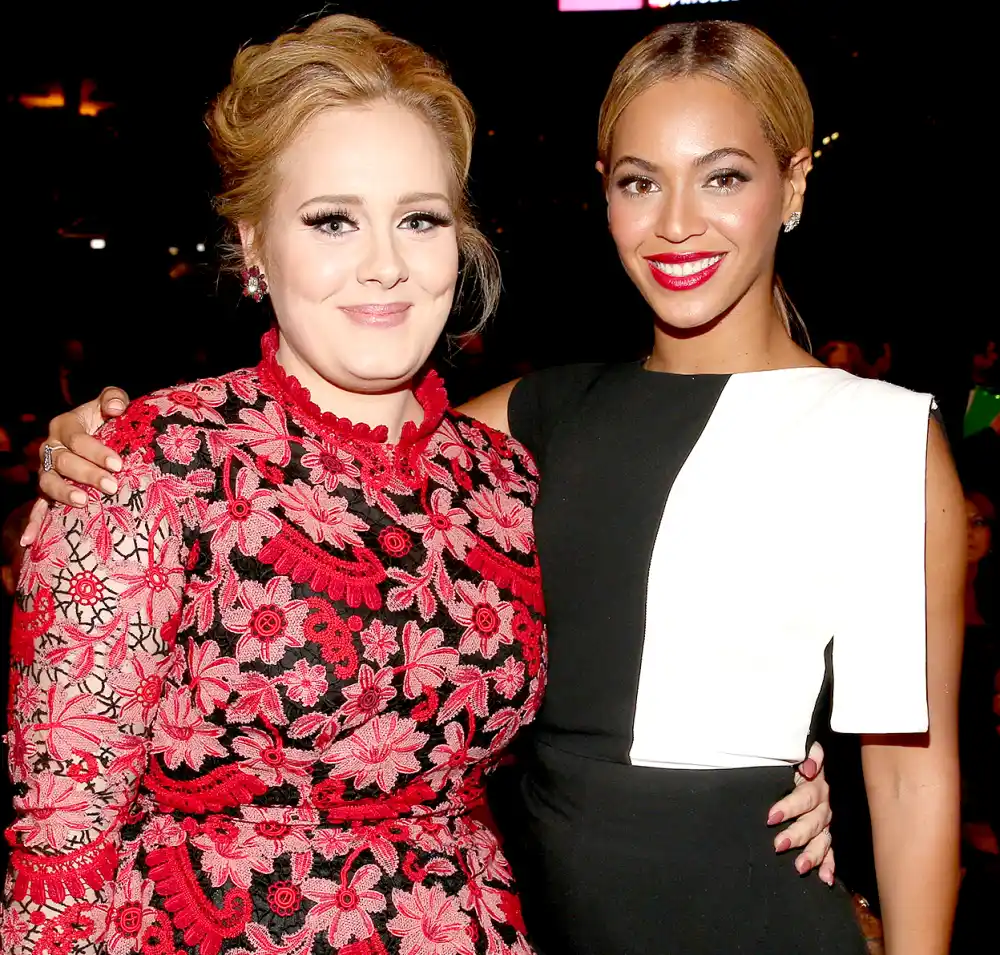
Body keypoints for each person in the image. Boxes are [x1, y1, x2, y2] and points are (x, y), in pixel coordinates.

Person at [17, 17, 862, 955]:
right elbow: (61, 849)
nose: (385, 263)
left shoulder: (505, 480)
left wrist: (777, 779)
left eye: (418, 218)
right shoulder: (146, 465)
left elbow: (618, 701)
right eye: (332, 219)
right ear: (254, 241)